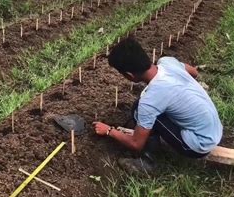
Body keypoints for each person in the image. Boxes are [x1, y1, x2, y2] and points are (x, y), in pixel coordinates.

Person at [92, 38, 223, 172]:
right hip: (214, 129)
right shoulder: (167, 62)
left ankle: (149, 161)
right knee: (141, 108)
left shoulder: (150, 101)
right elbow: (194, 72)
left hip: (199, 144)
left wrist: (109, 131)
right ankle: (150, 133)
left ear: (129, 75)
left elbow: (136, 144)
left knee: (140, 111)